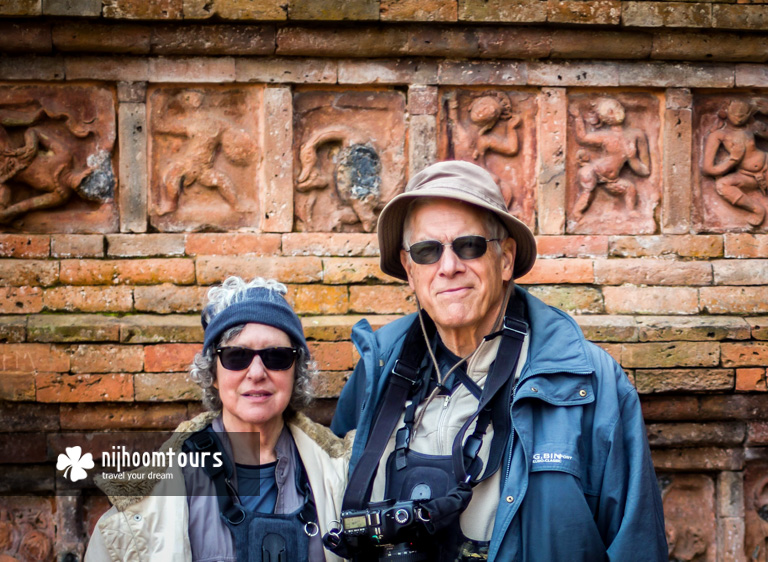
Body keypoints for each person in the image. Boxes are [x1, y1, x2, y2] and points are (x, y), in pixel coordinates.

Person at [329, 160, 667, 561]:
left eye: (469, 245)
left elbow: (638, 547)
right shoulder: (377, 372)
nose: (449, 267)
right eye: (426, 251)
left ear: (505, 259)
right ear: (409, 269)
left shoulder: (591, 385)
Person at [86, 276, 350, 562]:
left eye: (276, 356)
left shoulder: (343, 474)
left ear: (296, 371)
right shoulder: (144, 506)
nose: (257, 372)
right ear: (212, 373)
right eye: (237, 356)